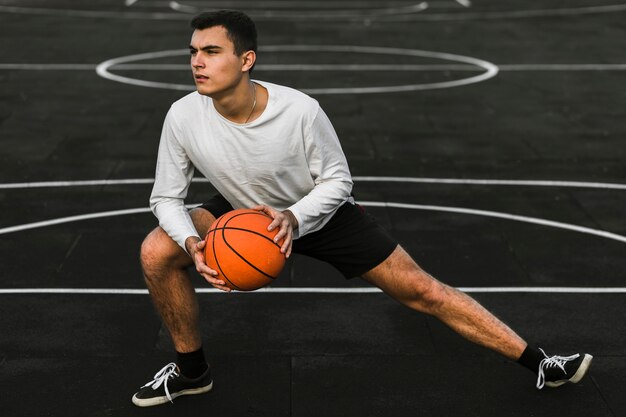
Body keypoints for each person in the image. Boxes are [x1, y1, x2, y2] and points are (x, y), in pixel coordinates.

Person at [132, 10, 593, 407]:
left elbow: (338, 181)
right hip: (243, 214)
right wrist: (192, 242)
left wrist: (294, 217)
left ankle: (542, 363)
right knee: (157, 250)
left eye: (211, 51)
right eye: (193, 51)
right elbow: (166, 197)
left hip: (318, 214)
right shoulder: (183, 115)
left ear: (246, 59)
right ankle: (192, 372)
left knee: (422, 291)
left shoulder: (300, 111)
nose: (196, 62)